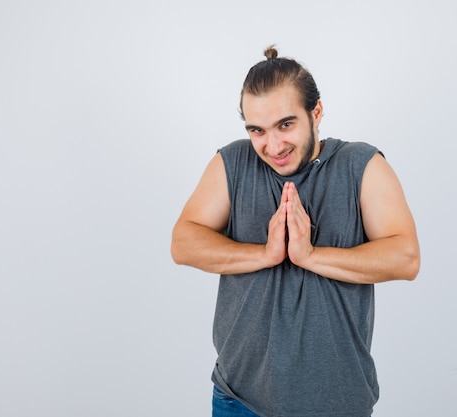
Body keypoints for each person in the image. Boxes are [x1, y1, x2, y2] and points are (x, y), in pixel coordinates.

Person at [171, 46, 420, 417]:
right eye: (257, 130)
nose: (272, 146)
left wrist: (311, 256)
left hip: (336, 404)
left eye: (285, 125)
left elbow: (406, 258)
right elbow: (183, 242)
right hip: (237, 399)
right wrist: (265, 254)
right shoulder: (233, 161)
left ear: (316, 112)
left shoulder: (361, 164)